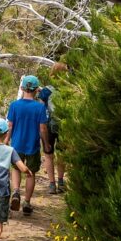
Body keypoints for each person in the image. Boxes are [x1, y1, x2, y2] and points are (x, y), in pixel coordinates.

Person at [5, 74, 50, 215]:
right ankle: (27, 202)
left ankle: (16, 192)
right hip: (33, 146)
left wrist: (6, 140)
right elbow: (42, 129)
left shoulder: (14, 105)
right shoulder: (39, 108)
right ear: (37, 90)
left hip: (16, 145)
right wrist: (46, 144)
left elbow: (10, 126)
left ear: (21, 88)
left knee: (16, 169)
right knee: (30, 174)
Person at [39, 63, 68, 193]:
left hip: (48, 125)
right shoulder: (69, 87)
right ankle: (61, 181)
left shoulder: (46, 90)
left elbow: (40, 109)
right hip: (64, 125)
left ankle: (52, 184)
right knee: (61, 154)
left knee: (48, 155)